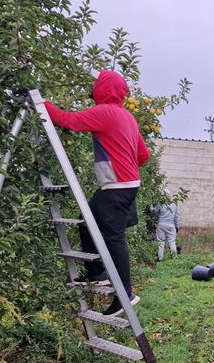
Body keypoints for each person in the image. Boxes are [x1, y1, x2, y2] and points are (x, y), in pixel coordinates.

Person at [44, 69, 149, 316]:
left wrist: (41, 103)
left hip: (117, 186)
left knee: (114, 238)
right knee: (86, 220)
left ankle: (125, 294)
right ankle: (96, 272)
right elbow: (143, 155)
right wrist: (127, 165)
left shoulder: (104, 112)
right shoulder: (127, 117)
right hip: (125, 184)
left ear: (102, 89)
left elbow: (68, 120)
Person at [151, 189, 179, 261]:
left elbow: (154, 212)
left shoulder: (160, 203)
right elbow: (176, 216)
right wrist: (177, 226)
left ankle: (160, 259)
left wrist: (151, 207)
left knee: (161, 242)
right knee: (172, 242)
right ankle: (174, 259)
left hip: (161, 224)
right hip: (171, 225)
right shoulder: (174, 203)